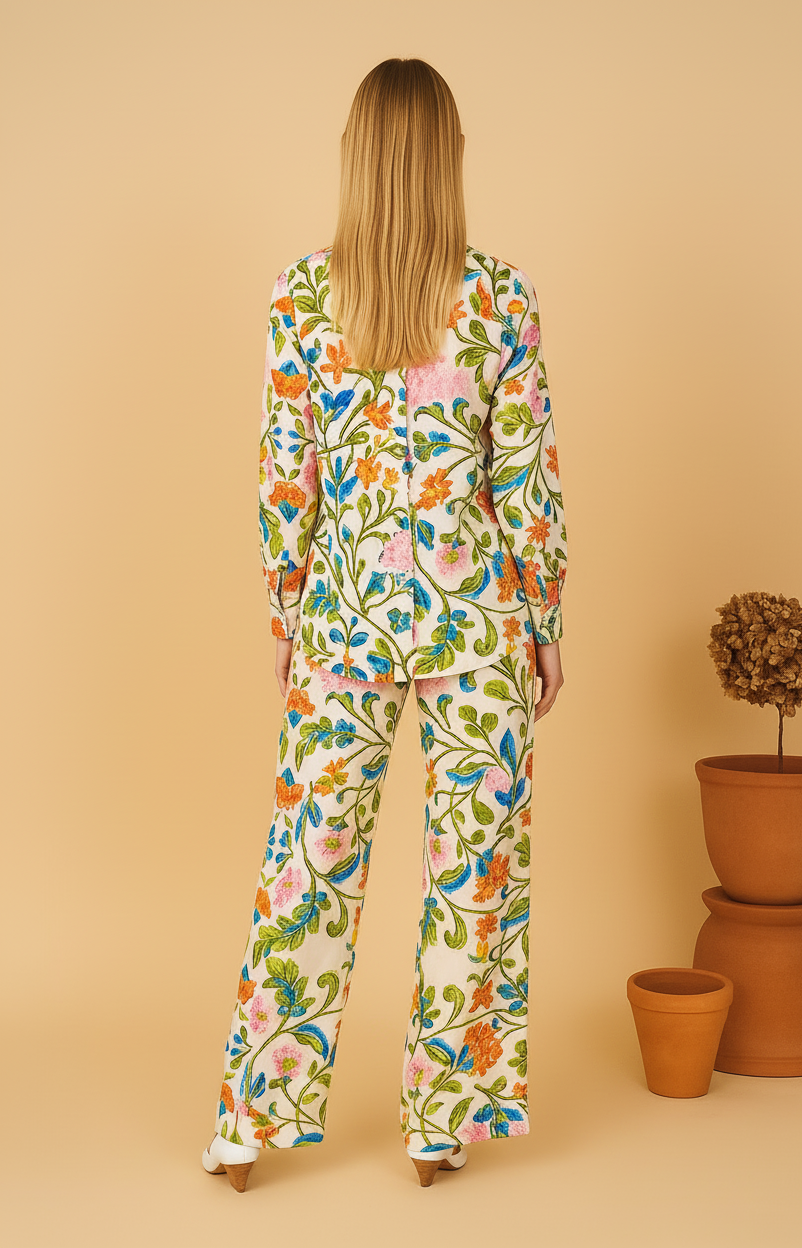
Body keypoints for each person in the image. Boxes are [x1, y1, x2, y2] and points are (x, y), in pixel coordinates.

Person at [202, 55, 567, 1192]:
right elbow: (527, 482)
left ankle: (244, 1125)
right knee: (472, 875)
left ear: (355, 161)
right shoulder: (502, 297)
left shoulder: (301, 299)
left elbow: (284, 480)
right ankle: (436, 1124)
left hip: (343, 622)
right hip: (475, 624)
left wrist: (286, 610)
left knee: (307, 867)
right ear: (448, 158)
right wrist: (544, 615)